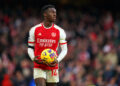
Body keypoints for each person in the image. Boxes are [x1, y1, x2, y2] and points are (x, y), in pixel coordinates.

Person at [27, 5, 67, 86]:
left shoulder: (60, 31)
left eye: (55, 13)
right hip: (39, 65)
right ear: (45, 14)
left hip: (53, 66)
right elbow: (30, 48)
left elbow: (65, 49)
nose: (55, 14)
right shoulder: (34, 30)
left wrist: (57, 60)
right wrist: (33, 58)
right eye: (52, 12)